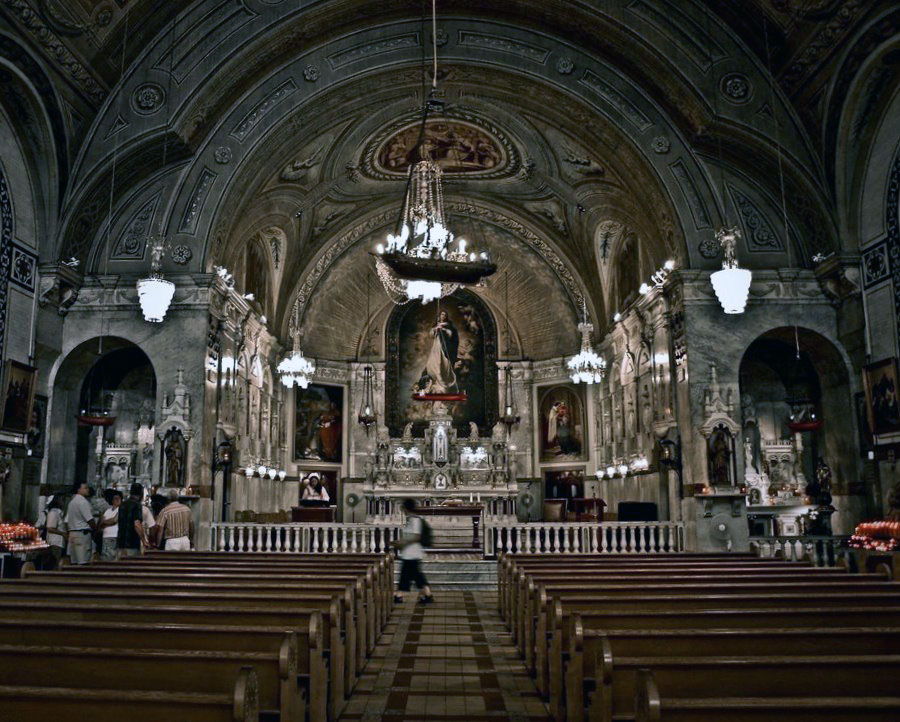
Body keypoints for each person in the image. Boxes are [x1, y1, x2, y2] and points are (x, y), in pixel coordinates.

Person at [392, 498, 433, 604]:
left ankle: (400, 595)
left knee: (413, 575)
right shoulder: (411, 519)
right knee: (410, 575)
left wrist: (402, 543)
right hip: (409, 553)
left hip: (413, 553)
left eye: (403, 507)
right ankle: (400, 595)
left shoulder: (415, 520)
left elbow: (416, 536)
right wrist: (400, 542)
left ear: (406, 508)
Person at [415, 310, 459, 394]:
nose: (443, 316)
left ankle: (442, 381)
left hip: (444, 346)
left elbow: (451, 335)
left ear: (446, 316)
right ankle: (434, 380)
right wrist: (436, 329)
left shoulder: (449, 325)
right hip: (437, 344)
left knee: (443, 362)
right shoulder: (436, 324)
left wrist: (444, 330)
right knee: (434, 361)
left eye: (444, 314)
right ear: (439, 316)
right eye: (441, 314)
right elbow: (431, 334)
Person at [65, 481, 96, 565]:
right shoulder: (83, 502)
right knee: (83, 562)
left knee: (74, 562)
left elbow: (66, 521)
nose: (87, 490)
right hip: (82, 534)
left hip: (72, 533)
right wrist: (95, 530)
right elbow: (89, 519)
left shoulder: (72, 502)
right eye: (85, 488)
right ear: (78, 489)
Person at [117, 483, 146, 558]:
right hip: (132, 542)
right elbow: (137, 524)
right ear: (141, 493)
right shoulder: (137, 505)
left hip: (121, 542)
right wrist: (144, 540)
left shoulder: (122, 504)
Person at [98, 489, 122, 561]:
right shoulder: (107, 511)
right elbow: (101, 524)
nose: (117, 500)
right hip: (106, 537)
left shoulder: (121, 509)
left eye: (119, 498)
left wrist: (105, 522)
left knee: (114, 557)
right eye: (115, 499)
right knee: (106, 557)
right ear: (112, 500)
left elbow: (114, 520)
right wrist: (107, 522)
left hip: (115, 536)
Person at [45, 495, 68, 567]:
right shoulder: (53, 513)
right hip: (55, 542)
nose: (64, 503)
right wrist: (62, 533)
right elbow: (50, 528)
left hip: (60, 542)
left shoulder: (59, 513)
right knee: (56, 562)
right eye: (62, 500)